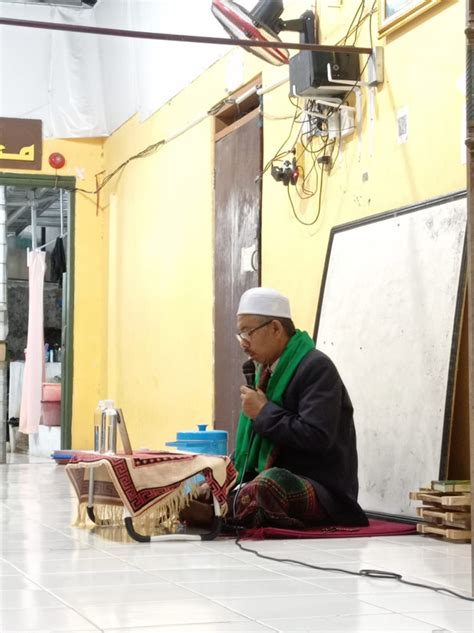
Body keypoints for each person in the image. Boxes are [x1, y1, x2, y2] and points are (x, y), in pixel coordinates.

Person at [180, 287, 368, 530]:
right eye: (240, 334)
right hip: (275, 483)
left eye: (248, 332)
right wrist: (221, 479)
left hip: (323, 490)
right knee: (201, 485)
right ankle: (219, 507)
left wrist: (263, 412)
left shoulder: (316, 368)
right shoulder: (264, 373)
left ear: (276, 329)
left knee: (269, 485)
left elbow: (317, 437)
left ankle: (219, 514)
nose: (243, 343)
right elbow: (250, 449)